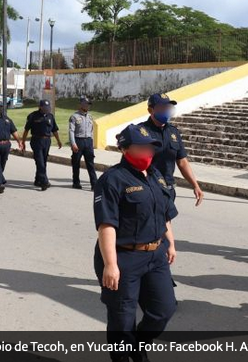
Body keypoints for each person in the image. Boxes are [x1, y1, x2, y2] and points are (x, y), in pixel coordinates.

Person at [93, 124, 178, 362]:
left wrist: (170, 243)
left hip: (155, 254)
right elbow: (106, 225)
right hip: (123, 257)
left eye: (151, 147)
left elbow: (164, 214)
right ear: (125, 149)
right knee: (122, 319)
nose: (148, 152)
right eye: (141, 147)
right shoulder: (112, 179)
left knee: (163, 310)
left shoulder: (156, 176)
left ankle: (136, 346)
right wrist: (111, 265)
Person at [139, 93, 203, 205]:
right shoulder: (141, 131)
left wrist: (195, 185)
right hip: (148, 188)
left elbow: (182, 162)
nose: (166, 110)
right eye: (162, 107)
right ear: (150, 110)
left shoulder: (173, 132)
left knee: (166, 220)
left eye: (168, 107)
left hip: (168, 189)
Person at [22, 100, 62, 191]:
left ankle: (38, 180)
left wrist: (58, 140)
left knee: (43, 161)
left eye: (48, 107)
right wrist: (23, 142)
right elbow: (26, 130)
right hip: (36, 140)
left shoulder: (50, 116)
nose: (47, 109)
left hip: (47, 141)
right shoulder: (33, 116)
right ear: (40, 107)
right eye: (45, 107)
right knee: (40, 161)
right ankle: (44, 181)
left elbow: (54, 130)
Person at [69, 96, 97, 189]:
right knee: (76, 163)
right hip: (78, 140)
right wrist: (73, 143)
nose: (88, 106)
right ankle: (76, 182)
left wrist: (91, 143)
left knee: (90, 164)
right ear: (80, 104)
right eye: (86, 104)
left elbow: (92, 130)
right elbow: (71, 131)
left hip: (88, 141)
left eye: (89, 104)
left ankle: (94, 184)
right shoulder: (74, 117)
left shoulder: (90, 116)